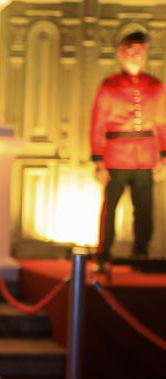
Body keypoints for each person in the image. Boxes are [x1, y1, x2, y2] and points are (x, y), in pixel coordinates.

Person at [91, 30, 166, 272]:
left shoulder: (155, 86)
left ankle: (140, 253)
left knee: (144, 209)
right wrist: (98, 159)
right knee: (110, 208)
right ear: (121, 55)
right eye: (131, 52)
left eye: (140, 53)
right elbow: (98, 124)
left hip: (145, 157)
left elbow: (162, 123)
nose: (136, 57)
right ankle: (103, 255)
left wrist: (163, 156)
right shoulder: (110, 86)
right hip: (116, 156)